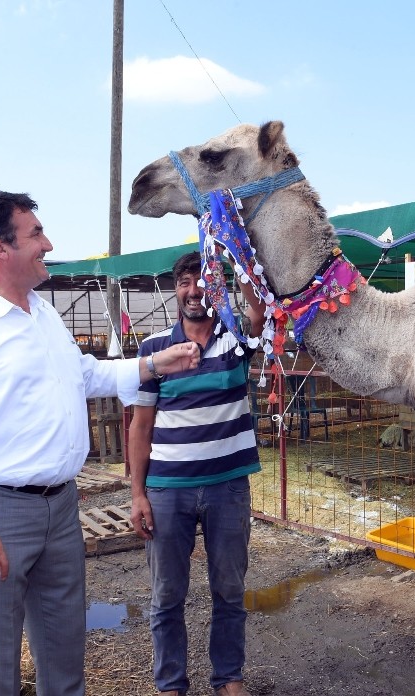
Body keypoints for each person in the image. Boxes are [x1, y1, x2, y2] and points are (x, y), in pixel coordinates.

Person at [0, 190, 199, 696]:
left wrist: (151, 364)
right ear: (0, 249)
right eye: (35, 233)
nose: (48, 244)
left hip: (60, 508)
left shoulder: (42, 315)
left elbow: (84, 375)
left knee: (64, 658)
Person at [129, 251, 264, 696]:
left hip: (228, 487)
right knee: (167, 594)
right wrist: (138, 494)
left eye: (203, 281)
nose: (193, 291)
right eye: (185, 282)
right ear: (175, 289)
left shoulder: (235, 338)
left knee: (229, 588)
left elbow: (259, 316)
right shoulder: (154, 350)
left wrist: (237, 261)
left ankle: (228, 678)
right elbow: (140, 426)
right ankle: (171, 684)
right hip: (168, 491)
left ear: (216, 286)